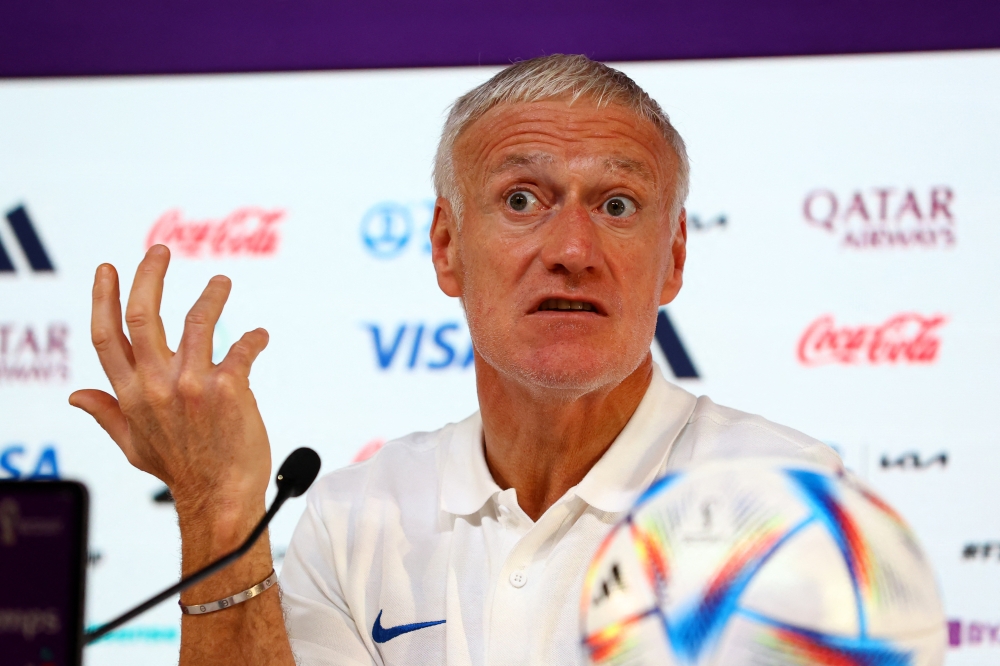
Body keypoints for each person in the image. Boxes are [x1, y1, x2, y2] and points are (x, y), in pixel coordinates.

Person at [70, 55, 841, 665]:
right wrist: (221, 509)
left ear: (672, 258)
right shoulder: (352, 518)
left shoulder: (784, 500)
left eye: (616, 206)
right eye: (521, 200)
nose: (573, 251)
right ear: (446, 248)